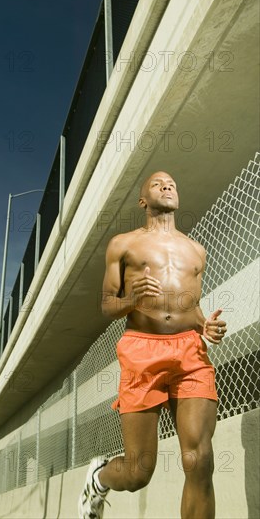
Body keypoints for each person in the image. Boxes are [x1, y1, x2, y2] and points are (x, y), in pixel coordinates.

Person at [78, 171, 227, 519]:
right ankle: (99, 478)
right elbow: (107, 306)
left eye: (173, 182)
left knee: (200, 458)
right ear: (143, 200)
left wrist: (207, 326)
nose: (167, 185)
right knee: (138, 473)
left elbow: (190, 307)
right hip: (142, 350)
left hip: (190, 351)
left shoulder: (196, 251)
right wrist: (131, 299)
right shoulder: (124, 244)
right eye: (158, 182)